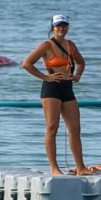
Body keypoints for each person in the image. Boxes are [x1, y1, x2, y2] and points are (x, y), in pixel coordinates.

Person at [22, 15, 90, 176]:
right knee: (52, 127)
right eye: (58, 26)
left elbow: (81, 62)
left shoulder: (71, 45)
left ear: (68, 27)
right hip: (51, 89)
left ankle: (80, 167)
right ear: (52, 27)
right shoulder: (46, 45)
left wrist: (78, 76)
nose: (61, 28)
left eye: (64, 25)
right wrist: (45, 77)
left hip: (67, 88)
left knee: (75, 128)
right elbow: (26, 63)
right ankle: (54, 167)